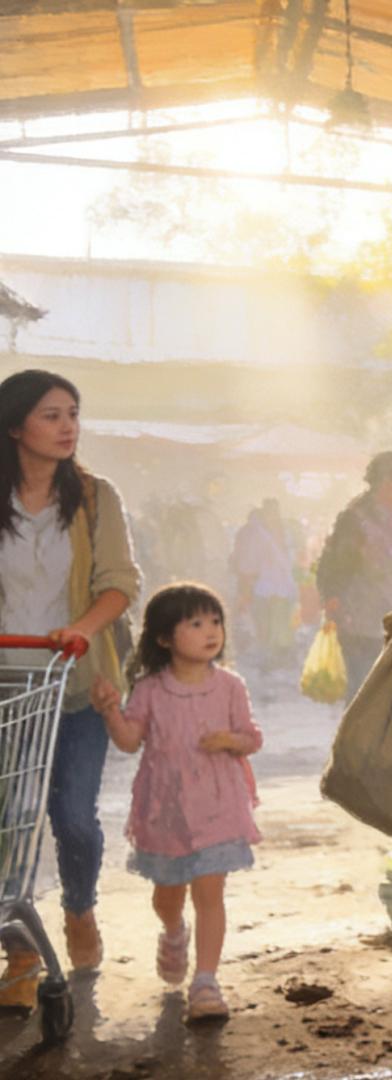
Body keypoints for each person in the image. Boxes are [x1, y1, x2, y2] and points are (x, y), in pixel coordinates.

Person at [0, 369, 141, 1002]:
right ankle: (21, 953)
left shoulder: (93, 497)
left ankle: (79, 907)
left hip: (76, 685)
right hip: (7, 687)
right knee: (8, 820)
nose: (67, 427)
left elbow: (120, 581)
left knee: (72, 818)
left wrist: (81, 630)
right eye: (52, 415)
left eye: (74, 415)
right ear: (14, 426)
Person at [90, 583, 261, 1023]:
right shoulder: (150, 690)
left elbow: (251, 737)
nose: (211, 632)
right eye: (197, 623)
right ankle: (172, 930)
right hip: (165, 811)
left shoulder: (230, 687)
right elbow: (129, 740)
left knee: (210, 892)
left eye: (216, 621)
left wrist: (229, 740)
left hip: (219, 808)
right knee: (168, 895)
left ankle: (205, 982)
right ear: (165, 638)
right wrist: (111, 709)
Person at [315, 451, 392, 699]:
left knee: (391, 691)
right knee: (364, 690)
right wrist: (332, 597)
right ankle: (357, 738)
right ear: (388, 479)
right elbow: (333, 565)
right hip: (361, 620)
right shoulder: (356, 518)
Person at [230, 499, 299, 672]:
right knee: (269, 625)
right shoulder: (261, 533)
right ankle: (272, 657)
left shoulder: (270, 533)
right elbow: (248, 562)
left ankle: (275, 657)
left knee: (273, 625)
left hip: (273, 587)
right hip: (268, 587)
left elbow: (246, 563)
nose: (273, 516)